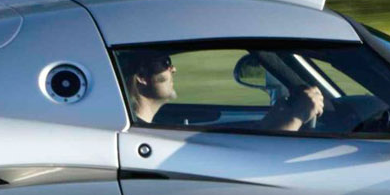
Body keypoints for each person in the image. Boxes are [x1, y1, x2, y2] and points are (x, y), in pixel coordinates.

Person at [123, 49, 327, 131]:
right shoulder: (140, 132)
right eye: (165, 63)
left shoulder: (147, 127)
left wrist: (268, 124)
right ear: (141, 77)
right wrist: (297, 118)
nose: (173, 68)